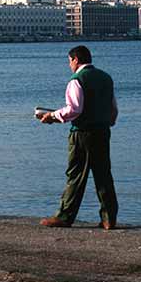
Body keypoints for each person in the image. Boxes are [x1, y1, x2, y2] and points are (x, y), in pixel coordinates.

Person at [37, 45, 119, 230]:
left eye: (69, 61)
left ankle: (65, 216)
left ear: (75, 59)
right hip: (102, 132)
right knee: (103, 174)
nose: (69, 65)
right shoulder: (106, 78)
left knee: (76, 175)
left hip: (82, 133)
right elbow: (113, 109)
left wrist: (51, 116)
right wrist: (107, 123)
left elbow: (74, 109)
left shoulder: (76, 80)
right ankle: (109, 219)